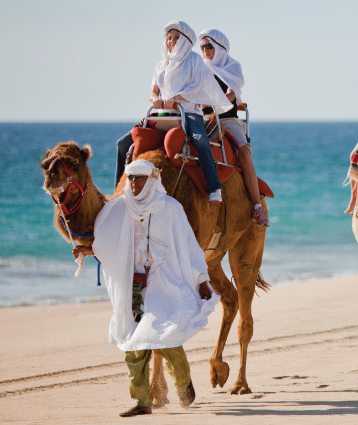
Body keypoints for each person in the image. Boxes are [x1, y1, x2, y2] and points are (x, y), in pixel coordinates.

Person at [73, 159, 219, 417]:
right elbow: (108, 240)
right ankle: (142, 401)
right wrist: (89, 249)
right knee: (133, 342)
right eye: (131, 178)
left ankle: (183, 385)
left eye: (139, 178)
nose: (133, 183)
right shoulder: (118, 208)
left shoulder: (171, 208)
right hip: (133, 283)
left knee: (164, 336)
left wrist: (201, 279)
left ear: (152, 179)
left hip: (165, 282)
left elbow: (188, 245)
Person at [115, 20, 233, 204]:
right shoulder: (161, 65)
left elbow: (198, 87)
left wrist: (177, 98)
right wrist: (155, 99)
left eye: (176, 38)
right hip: (162, 114)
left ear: (185, 40)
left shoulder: (194, 61)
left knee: (200, 140)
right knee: (123, 144)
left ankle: (214, 187)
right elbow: (153, 91)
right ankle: (118, 192)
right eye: (169, 38)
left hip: (188, 112)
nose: (171, 41)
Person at [197, 28, 269, 227]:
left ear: (220, 47)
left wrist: (214, 104)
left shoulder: (232, 67)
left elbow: (232, 94)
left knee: (244, 154)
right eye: (202, 46)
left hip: (227, 119)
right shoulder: (198, 68)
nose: (205, 50)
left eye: (209, 46)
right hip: (204, 118)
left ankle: (257, 207)